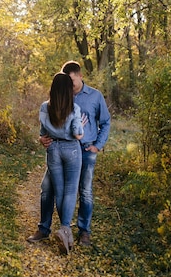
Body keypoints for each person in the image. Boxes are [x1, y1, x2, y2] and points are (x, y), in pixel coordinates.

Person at [27, 61, 111, 247]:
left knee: (85, 191)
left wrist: (98, 145)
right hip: (62, 147)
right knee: (47, 188)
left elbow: (105, 122)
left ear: (80, 76)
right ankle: (44, 229)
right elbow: (48, 123)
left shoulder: (95, 96)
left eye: (72, 82)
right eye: (67, 83)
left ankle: (83, 232)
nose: (70, 87)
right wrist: (42, 139)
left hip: (85, 150)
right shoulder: (61, 96)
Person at [38, 72, 84, 255]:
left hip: (53, 150)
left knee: (59, 192)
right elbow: (77, 134)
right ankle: (65, 229)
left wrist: (43, 139)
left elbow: (43, 133)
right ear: (67, 89)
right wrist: (82, 125)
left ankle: (65, 234)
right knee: (71, 190)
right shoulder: (74, 108)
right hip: (71, 150)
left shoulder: (44, 107)